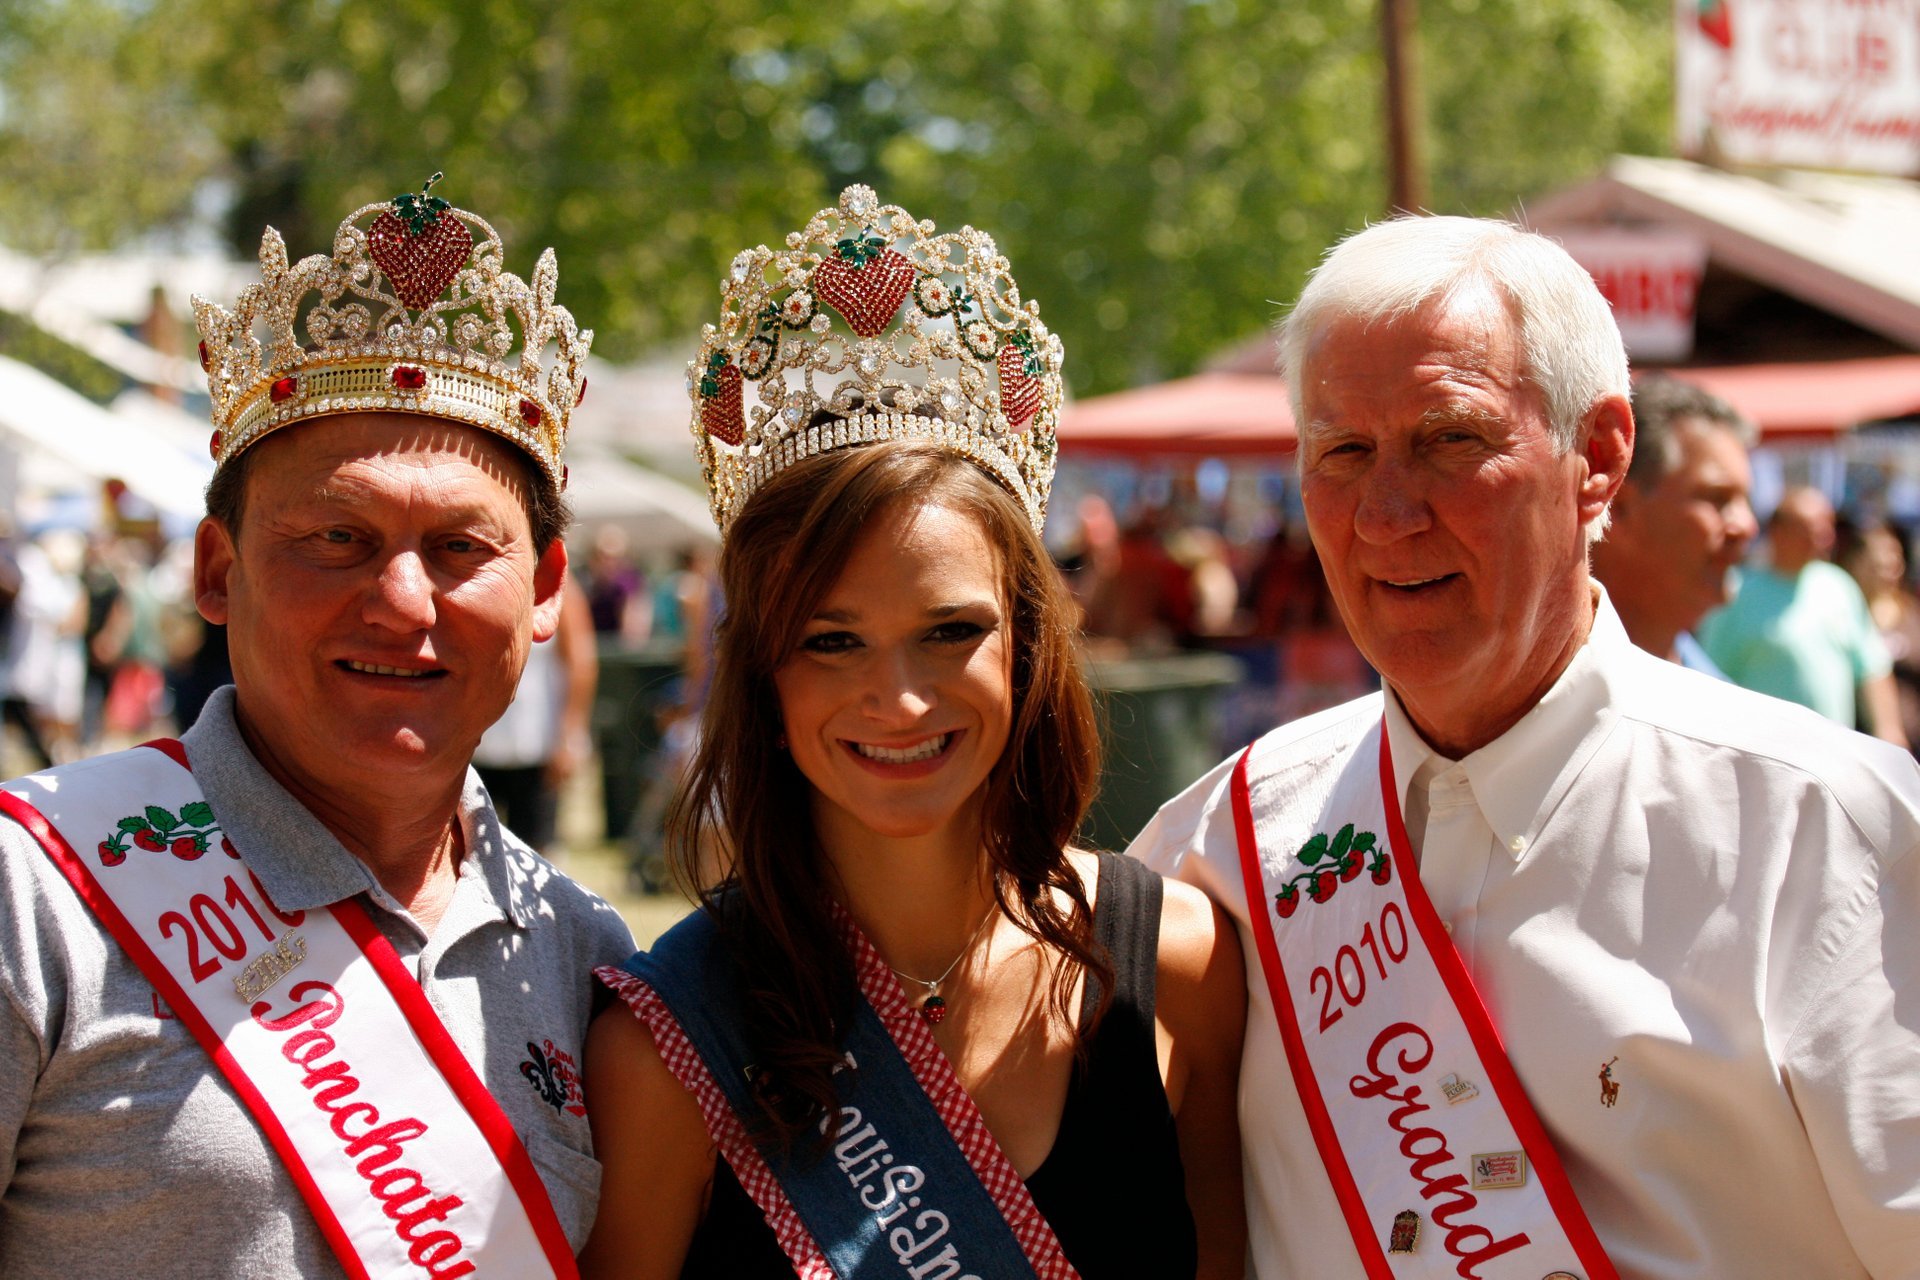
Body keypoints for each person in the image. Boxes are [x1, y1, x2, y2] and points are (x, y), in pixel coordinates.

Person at [1128, 215, 1920, 1278]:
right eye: (1344, 453)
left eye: (1449, 439)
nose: (1387, 512)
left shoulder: (1821, 825)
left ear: (1597, 458)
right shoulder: (1216, 845)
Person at [580, 186, 1247, 1280]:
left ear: (1029, 646)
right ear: (762, 671)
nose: (898, 699)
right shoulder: (670, 1044)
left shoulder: (1180, 962)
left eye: (949, 631)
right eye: (832, 641)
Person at [0, 178, 635, 1277]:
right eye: (336, 537)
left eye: (460, 548)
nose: (401, 601)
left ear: (546, 589)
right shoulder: (34, 893)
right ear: (215, 569)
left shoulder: (584, 951)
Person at [1701, 486, 1908, 745]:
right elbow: (1710, 675)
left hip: (1835, 755)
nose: (1825, 538)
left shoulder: (1839, 587)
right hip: (1764, 756)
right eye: (1811, 529)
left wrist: (1889, 731)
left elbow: (1871, 667)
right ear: (1778, 532)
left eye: (1826, 528)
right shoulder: (1735, 592)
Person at [1588, 375, 1757, 675]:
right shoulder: (1519, 697)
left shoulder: (1719, 705)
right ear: (1621, 507)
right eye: (1717, 498)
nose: (1746, 526)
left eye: (1746, 500)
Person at [473, 574, 599, 854]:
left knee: (534, 850)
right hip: (477, 747)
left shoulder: (564, 590)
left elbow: (580, 665)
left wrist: (570, 737)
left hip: (538, 746)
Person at [1841, 519, 1920, 751]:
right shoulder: (1846, 615)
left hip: (1912, 745)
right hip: (1858, 743)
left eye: (1893, 557)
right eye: (1877, 560)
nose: (1887, 565)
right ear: (1856, 563)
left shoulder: (1913, 614)